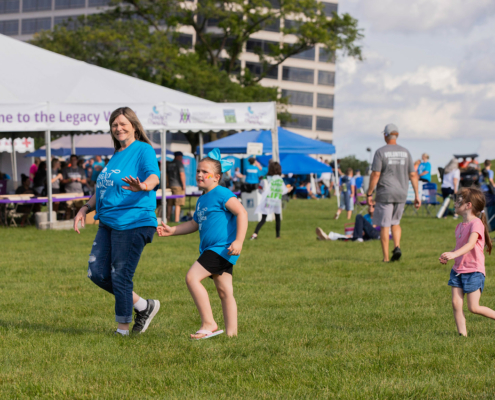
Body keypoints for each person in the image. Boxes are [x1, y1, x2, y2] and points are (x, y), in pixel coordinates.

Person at [73, 107, 161, 336]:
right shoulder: (117, 153)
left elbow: (154, 176)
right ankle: (144, 306)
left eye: (123, 124)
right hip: (109, 222)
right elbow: (102, 189)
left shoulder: (143, 149)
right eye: (114, 125)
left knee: (120, 274)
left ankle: (122, 329)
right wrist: (85, 208)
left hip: (133, 220)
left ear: (134, 125)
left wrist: (143, 186)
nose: (119, 128)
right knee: (97, 272)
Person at [157, 148, 248, 339]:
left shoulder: (223, 193)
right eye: (198, 171)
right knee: (224, 292)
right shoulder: (201, 200)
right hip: (216, 250)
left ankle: (209, 322)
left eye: (204, 172)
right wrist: (172, 230)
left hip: (221, 248)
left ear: (216, 177)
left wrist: (239, 241)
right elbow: (194, 223)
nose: (199, 174)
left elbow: (242, 213)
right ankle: (232, 336)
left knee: (192, 278)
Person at [439, 187, 495, 337]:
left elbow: (470, 244)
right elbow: (460, 246)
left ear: (468, 205)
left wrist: (454, 254)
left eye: (458, 201)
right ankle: (462, 336)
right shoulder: (459, 226)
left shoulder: (476, 223)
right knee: (456, 304)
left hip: (473, 271)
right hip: (458, 270)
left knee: (474, 307)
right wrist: (449, 255)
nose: (455, 204)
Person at [367, 123, 420, 262]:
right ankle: (397, 246)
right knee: (395, 222)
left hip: (386, 193)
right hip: (401, 193)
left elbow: (376, 174)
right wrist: (416, 195)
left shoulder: (380, 152)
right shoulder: (406, 152)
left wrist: (369, 193)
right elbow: (413, 175)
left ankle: (385, 258)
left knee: (385, 224)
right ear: (397, 135)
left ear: (385, 135)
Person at [250, 162, 289, 240]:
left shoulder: (266, 178)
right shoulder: (279, 179)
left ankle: (255, 234)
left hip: (268, 200)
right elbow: (283, 190)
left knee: (263, 218)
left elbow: (260, 188)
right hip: (276, 201)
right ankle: (278, 236)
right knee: (277, 218)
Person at [166, 151, 186, 222]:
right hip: (178, 186)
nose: (181, 158)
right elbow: (182, 174)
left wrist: (168, 184)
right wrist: (184, 185)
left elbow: (167, 175)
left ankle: (168, 219)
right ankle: (176, 220)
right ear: (179, 156)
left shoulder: (170, 164)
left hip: (170, 185)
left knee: (169, 204)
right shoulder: (179, 163)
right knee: (178, 204)